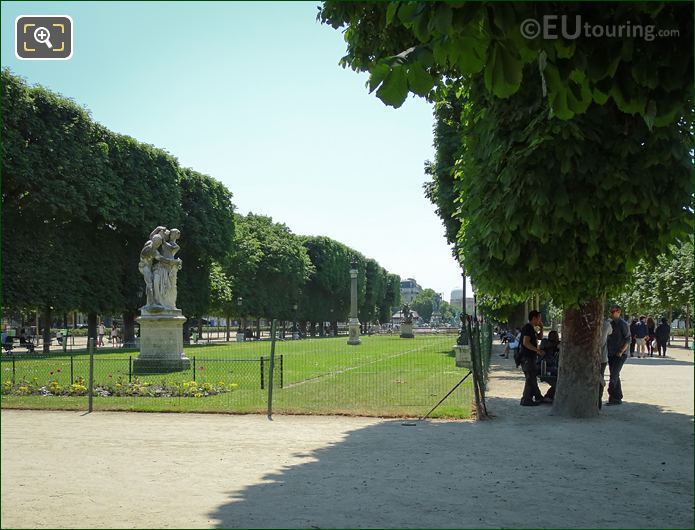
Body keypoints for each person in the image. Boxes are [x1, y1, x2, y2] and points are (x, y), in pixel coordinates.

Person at [519, 310, 547, 406]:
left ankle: (535, 397)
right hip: (526, 357)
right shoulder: (527, 328)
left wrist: (542, 328)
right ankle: (526, 400)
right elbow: (525, 342)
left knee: (532, 378)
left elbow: (539, 337)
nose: (540, 320)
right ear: (534, 318)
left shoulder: (532, 328)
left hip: (531, 357)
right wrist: (537, 350)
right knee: (530, 378)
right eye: (539, 318)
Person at [606, 304, 631, 405]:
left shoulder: (622, 324)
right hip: (611, 352)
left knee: (614, 375)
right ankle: (617, 396)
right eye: (611, 312)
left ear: (619, 312)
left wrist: (621, 351)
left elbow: (628, 339)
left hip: (620, 353)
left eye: (614, 311)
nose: (612, 314)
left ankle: (613, 396)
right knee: (615, 374)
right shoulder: (610, 323)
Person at [538, 330, 560, 401]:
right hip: (544, 366)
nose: (556, 337)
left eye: (556, 336)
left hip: (552, 366)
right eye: (554, 336)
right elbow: (546, 346)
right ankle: (549, 396)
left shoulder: (557, 344)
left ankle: (549, 395)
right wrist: (557, 345)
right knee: (558, 378)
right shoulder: (545, 342)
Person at [599, 316, 613, 409]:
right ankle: (598, 400)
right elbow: (611, 332)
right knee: (600, 378)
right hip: (602, 357)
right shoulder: (606, 324)